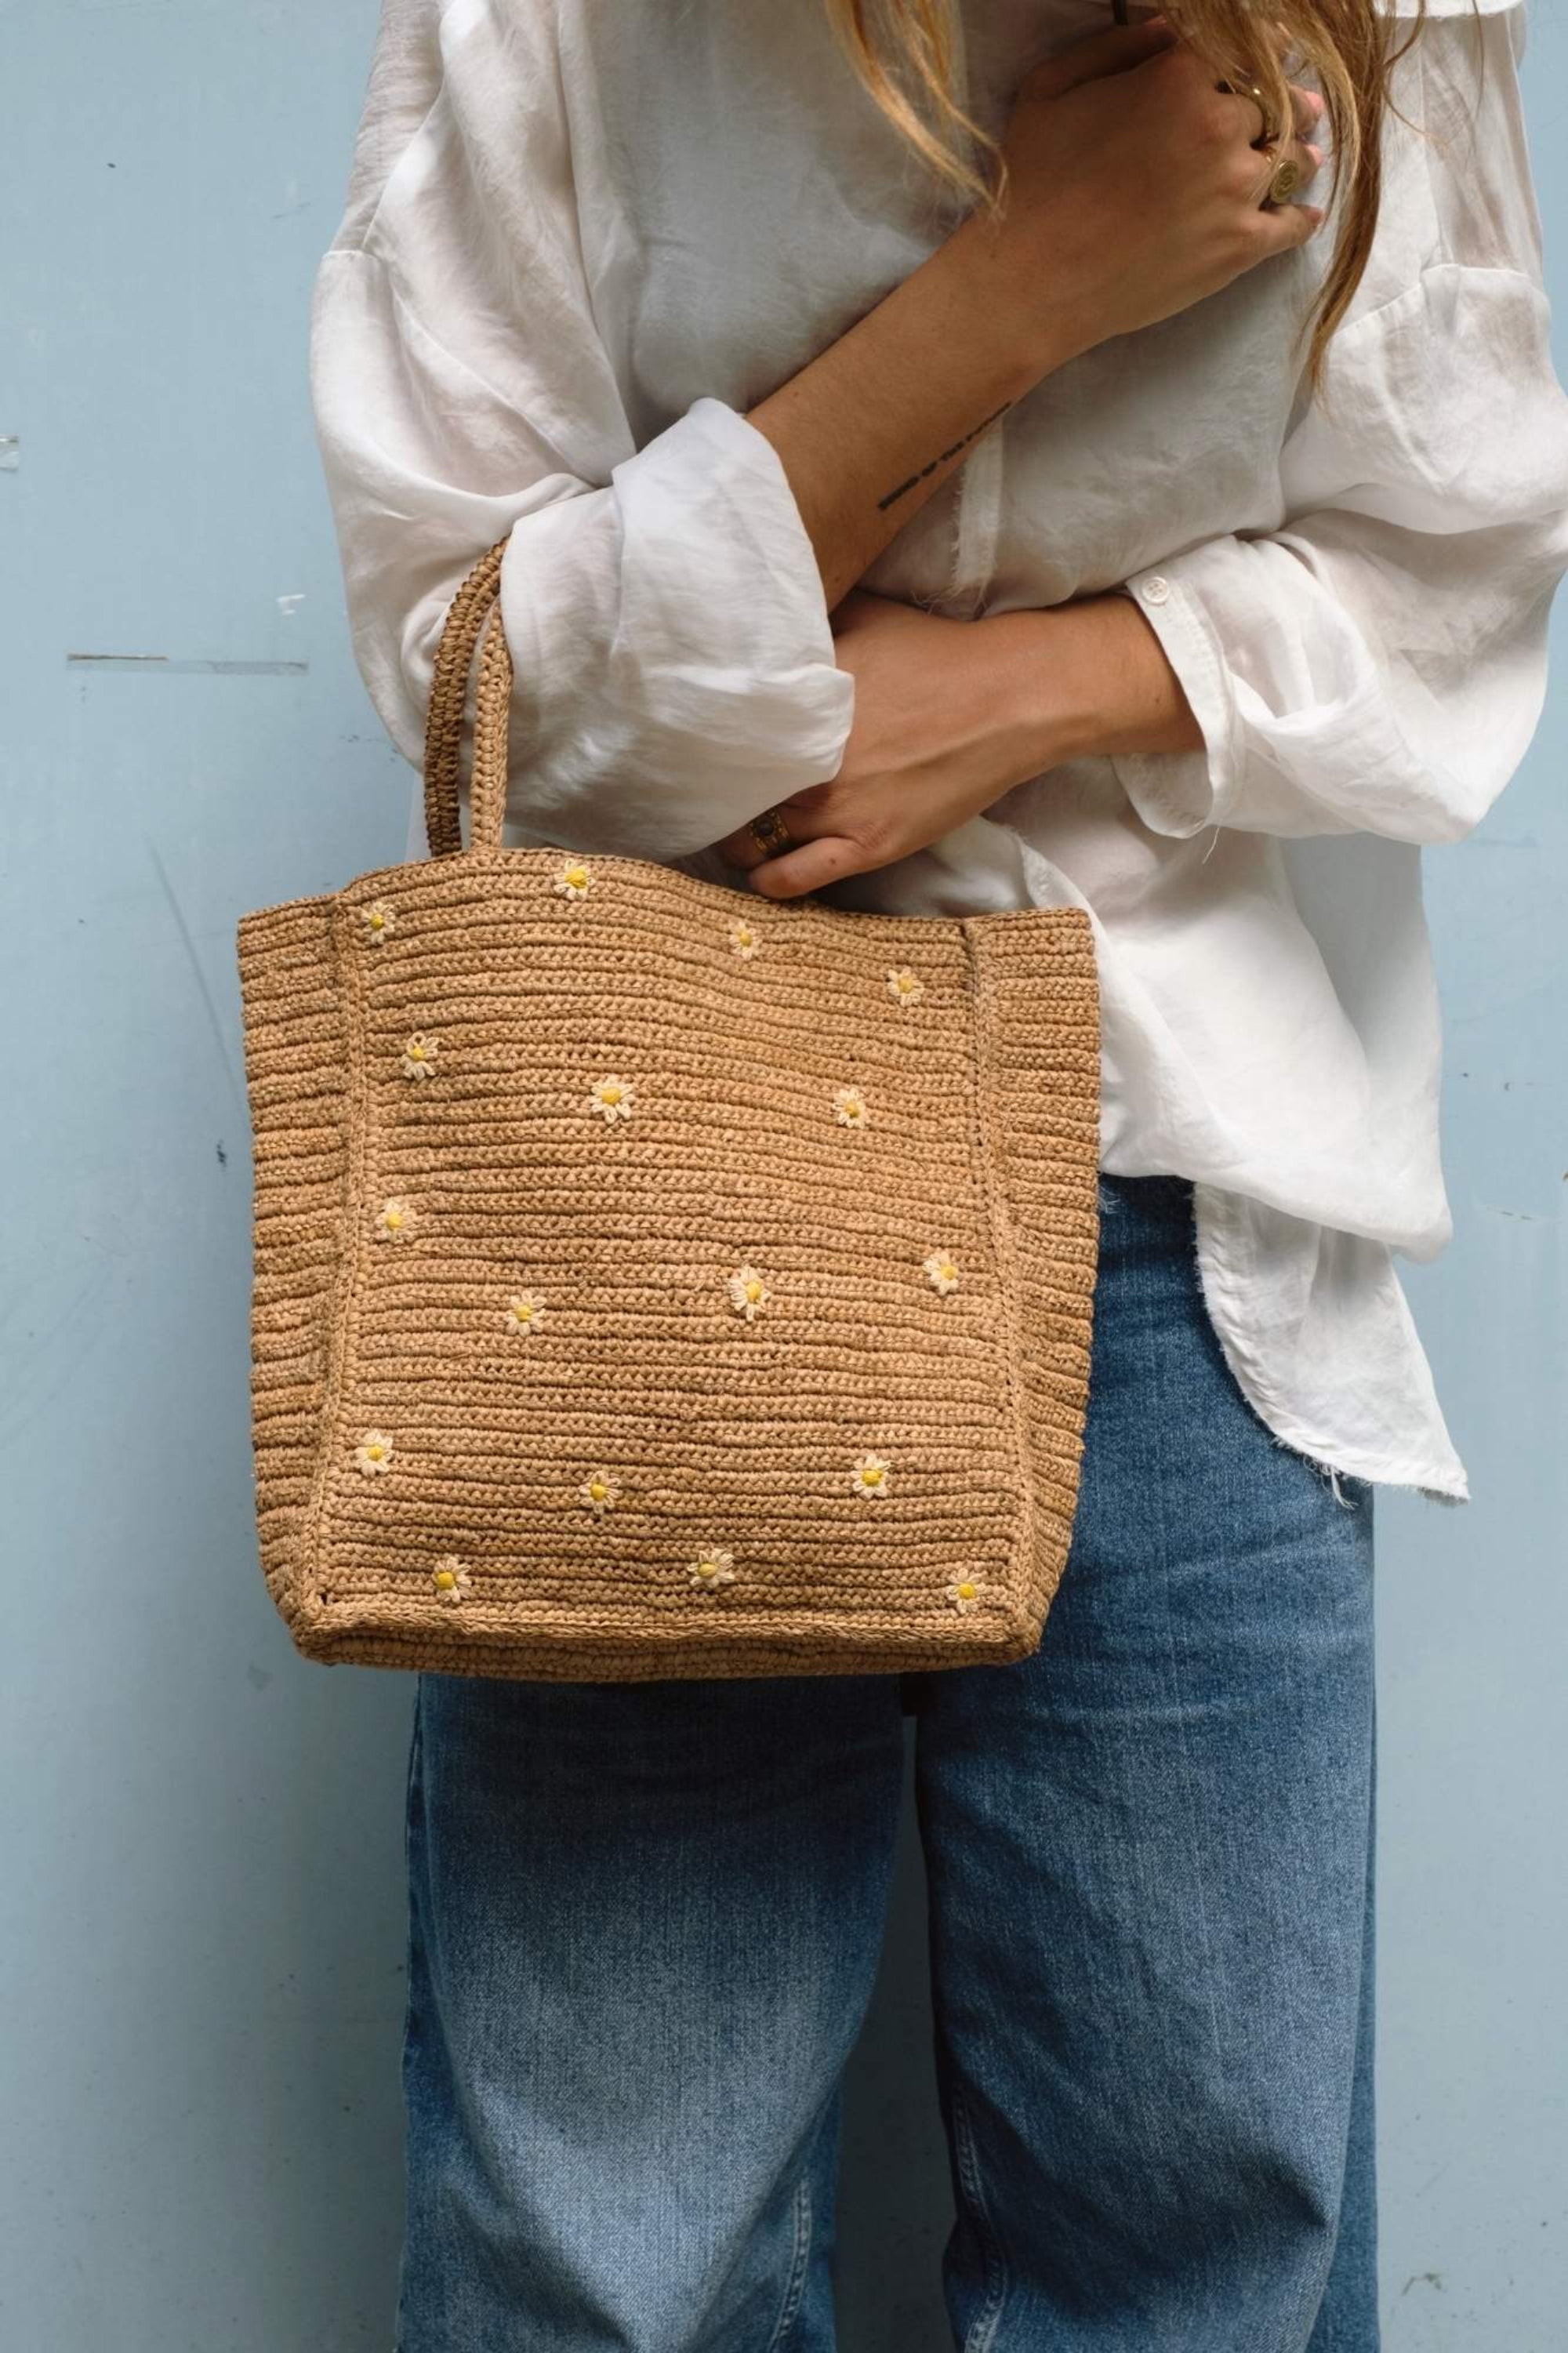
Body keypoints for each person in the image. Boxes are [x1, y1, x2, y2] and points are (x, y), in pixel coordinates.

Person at [309, 1, 1568, 2344]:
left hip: (1181, 1211)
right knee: (608, 2267)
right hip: (637, 1215)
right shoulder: (570, 27)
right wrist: (1028, 284)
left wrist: (1024, 687)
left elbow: (1457, 568)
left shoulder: (1377, 26)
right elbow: (466, 664)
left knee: (1209, 2250)